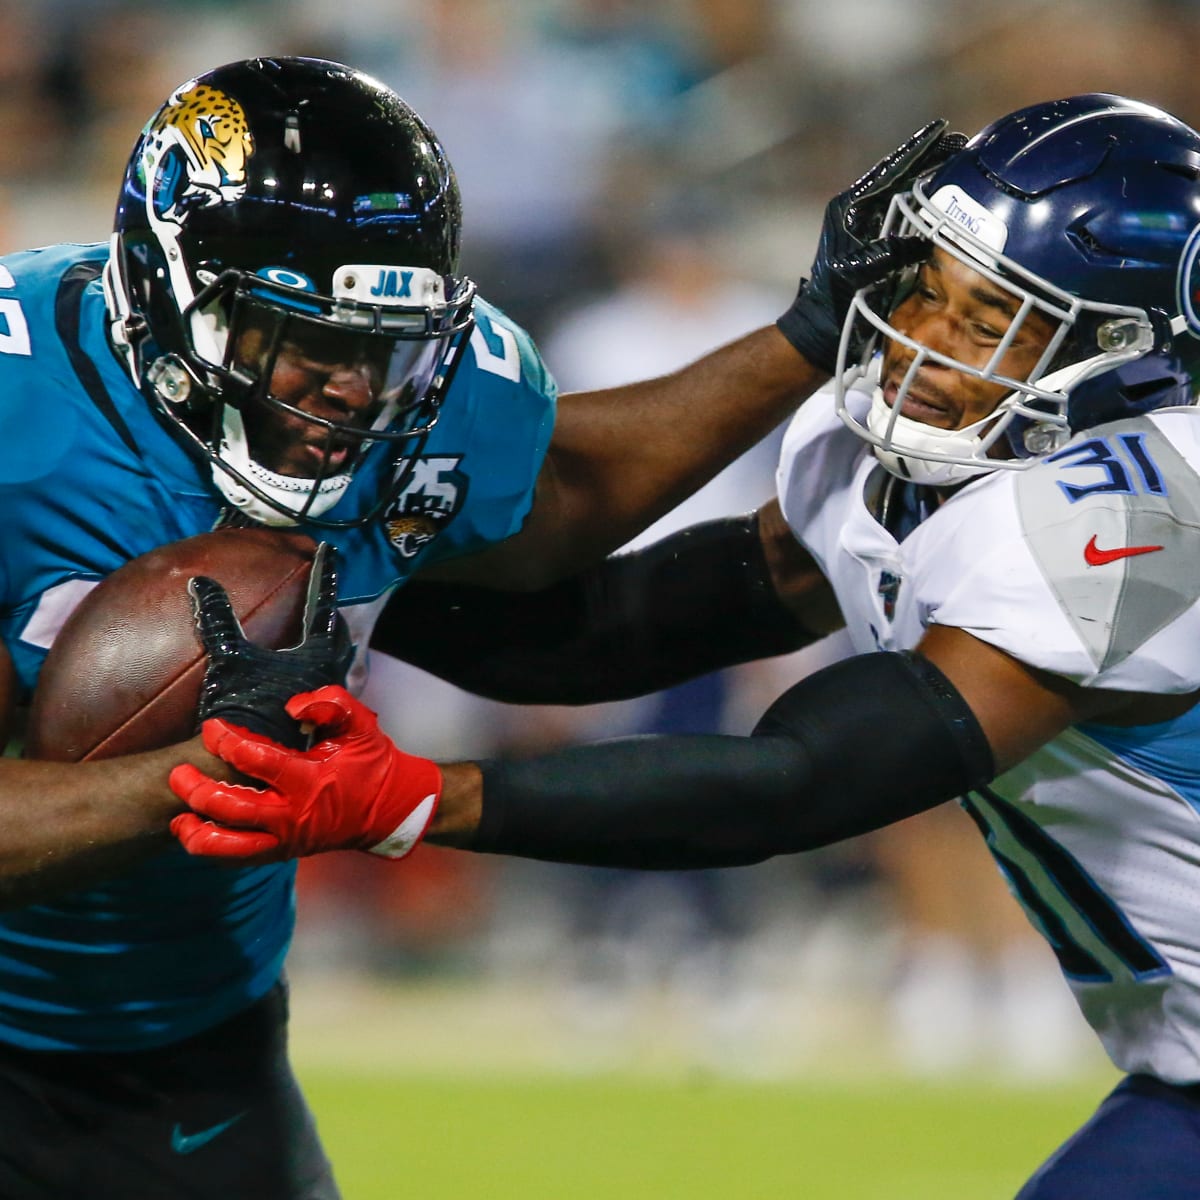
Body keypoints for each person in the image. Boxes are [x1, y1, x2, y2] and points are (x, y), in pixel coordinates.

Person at [173, 94, 1200, 1198]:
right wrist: (321, 566)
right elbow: (610, 637)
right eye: (925, 289)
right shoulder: (900, 464)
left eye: (992, 319)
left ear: (1123, 351)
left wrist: (423, 799)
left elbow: (795, 784)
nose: (921, 343)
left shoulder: (1148, 510)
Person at [0, 51, 958, 1199]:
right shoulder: (22, 423)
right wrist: (218, 773)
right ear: (174, 290)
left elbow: (571, 507)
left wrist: (812, 334)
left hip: (194, 1029)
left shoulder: (428, 400)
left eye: (384, 349)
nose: (356, 394)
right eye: (315, 343)